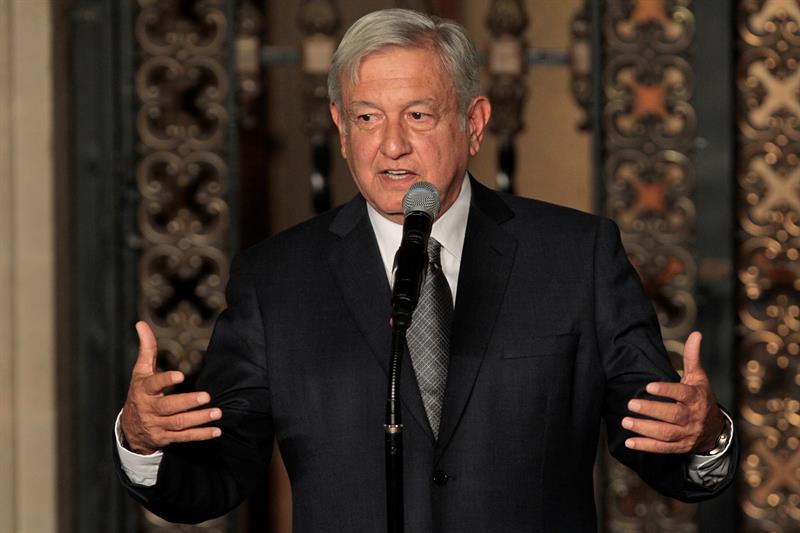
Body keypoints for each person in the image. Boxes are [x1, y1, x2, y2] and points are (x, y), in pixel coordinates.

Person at [114, 8, 736, 531]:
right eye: (367, 117)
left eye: (418, 114)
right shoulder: (276, 279)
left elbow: (660, 440)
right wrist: (142, 442)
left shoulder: (577, 256)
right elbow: (212, 480)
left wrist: (705, 435)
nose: (391, 145)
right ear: (340, 127)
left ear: (474, 123)